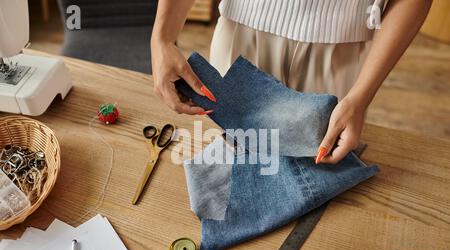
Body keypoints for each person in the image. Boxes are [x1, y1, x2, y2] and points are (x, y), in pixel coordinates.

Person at [150, 0, 432, 164]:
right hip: (240, 39)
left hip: (336, 54)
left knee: (314, 193)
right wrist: (162, 36)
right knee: (228, 172)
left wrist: (361, 96)